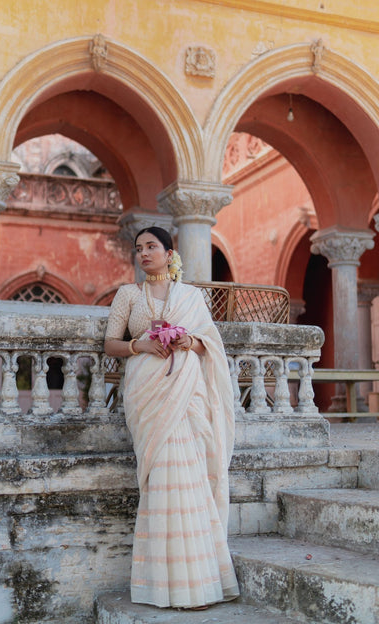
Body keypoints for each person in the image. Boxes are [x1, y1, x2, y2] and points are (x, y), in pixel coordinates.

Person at [104, 226, 239, 610]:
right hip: (147, 394)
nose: (144, 253)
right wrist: (140, 343)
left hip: (186, 393)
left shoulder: (191, 297)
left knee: (189, 478)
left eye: (151, 247)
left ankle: (199, 583)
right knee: (161, 479)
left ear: (169, 253)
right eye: (139, 248)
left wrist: (188, 341)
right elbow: (109, 343)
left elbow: (208, 342)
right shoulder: (128, 295)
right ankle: (161, 585)